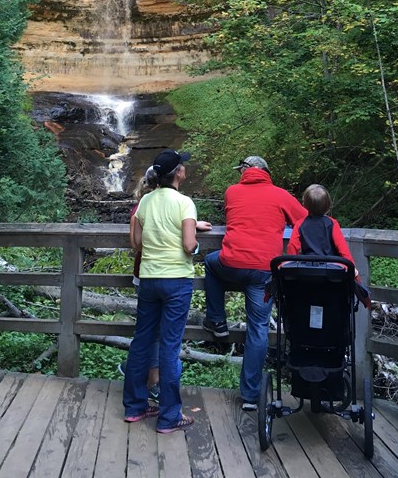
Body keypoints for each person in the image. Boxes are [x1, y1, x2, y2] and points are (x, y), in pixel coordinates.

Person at [202, 155, 307, 411]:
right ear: (266, 172)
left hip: (233, 263)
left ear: (246, 171)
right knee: (258, 328)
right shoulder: (281, 195)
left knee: (210, 263)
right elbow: (305, 219)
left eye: (241, 170)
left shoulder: (232, 192)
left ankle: (217, 319)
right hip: (265, 270)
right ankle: (250, 396)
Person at [122, 149, 203, 434]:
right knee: (169, 347)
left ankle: (135, 406)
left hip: (149, 278)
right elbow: (188, 245)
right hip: (177, 280)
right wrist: (196, 238)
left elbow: (139, 242)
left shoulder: (145, 201)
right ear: (178, 173)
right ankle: (169, 416)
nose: (185, 170)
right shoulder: (185, 203)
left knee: (142, 341)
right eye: (183, 167)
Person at [286, 184, 355, 263]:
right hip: (330, 267)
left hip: (307, 268)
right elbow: (342, 248)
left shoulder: (300, 224)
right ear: (328, 204)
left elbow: (293, 246)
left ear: (304, 204)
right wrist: (351, 267)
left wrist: (290, 263)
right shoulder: (332, 223)